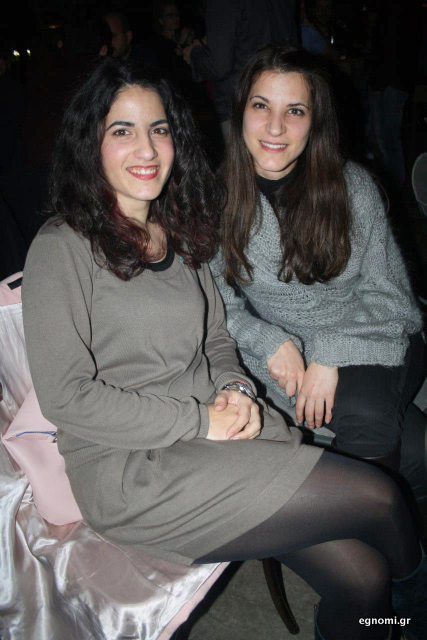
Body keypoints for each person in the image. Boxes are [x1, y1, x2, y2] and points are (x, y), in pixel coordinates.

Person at [22, 58, 425, 640]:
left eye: (159, 129)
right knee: (381, 499)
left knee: (362, 580)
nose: (146, 148)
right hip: (133, 470)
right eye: (122, 130)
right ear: (91, 143)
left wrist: (234, 387)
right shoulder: (60, 247)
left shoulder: (178, 233)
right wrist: (201, 419)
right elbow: (66, 398)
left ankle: (386, 621)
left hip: (212, 436)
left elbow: (216, 335)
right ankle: (416, 610)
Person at [211, 44, 426, 501]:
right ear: (240, 112)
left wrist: (330, 353)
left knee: (366, 416)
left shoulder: (352, 188)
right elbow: (214, 301)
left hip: (374, 335)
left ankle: (363, 536)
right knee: (415, 454)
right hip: (285, 354)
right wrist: (267, 339)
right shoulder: (217, 199)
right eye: (261, 106)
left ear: (315, 121)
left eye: (295, 110)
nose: (275, 127)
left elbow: (393, 300)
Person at [183, 0, 298, 140]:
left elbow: (218, 66)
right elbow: (293, 54)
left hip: (239, 106)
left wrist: (194, 54)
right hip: (283, 102)